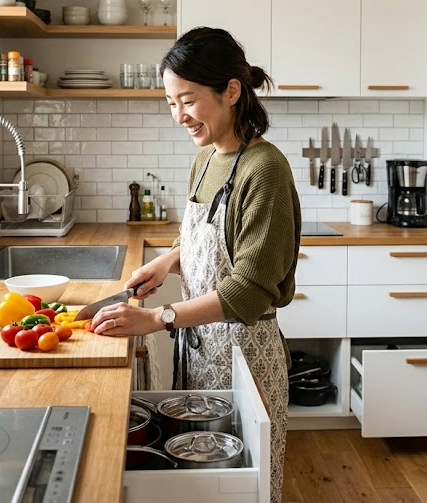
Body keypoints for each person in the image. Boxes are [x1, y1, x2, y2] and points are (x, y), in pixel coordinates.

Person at [88, 26, 302, 503]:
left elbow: (248, 287)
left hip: (245, 357)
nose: (179, 116)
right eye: (170, 102)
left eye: (187, 100)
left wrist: (156, 318)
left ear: (231, 91)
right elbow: (212, 244)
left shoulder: (264, 168)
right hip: (202, 349)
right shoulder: (205, 159)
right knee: (204, 484)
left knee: (245, 485)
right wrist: (168, 261)